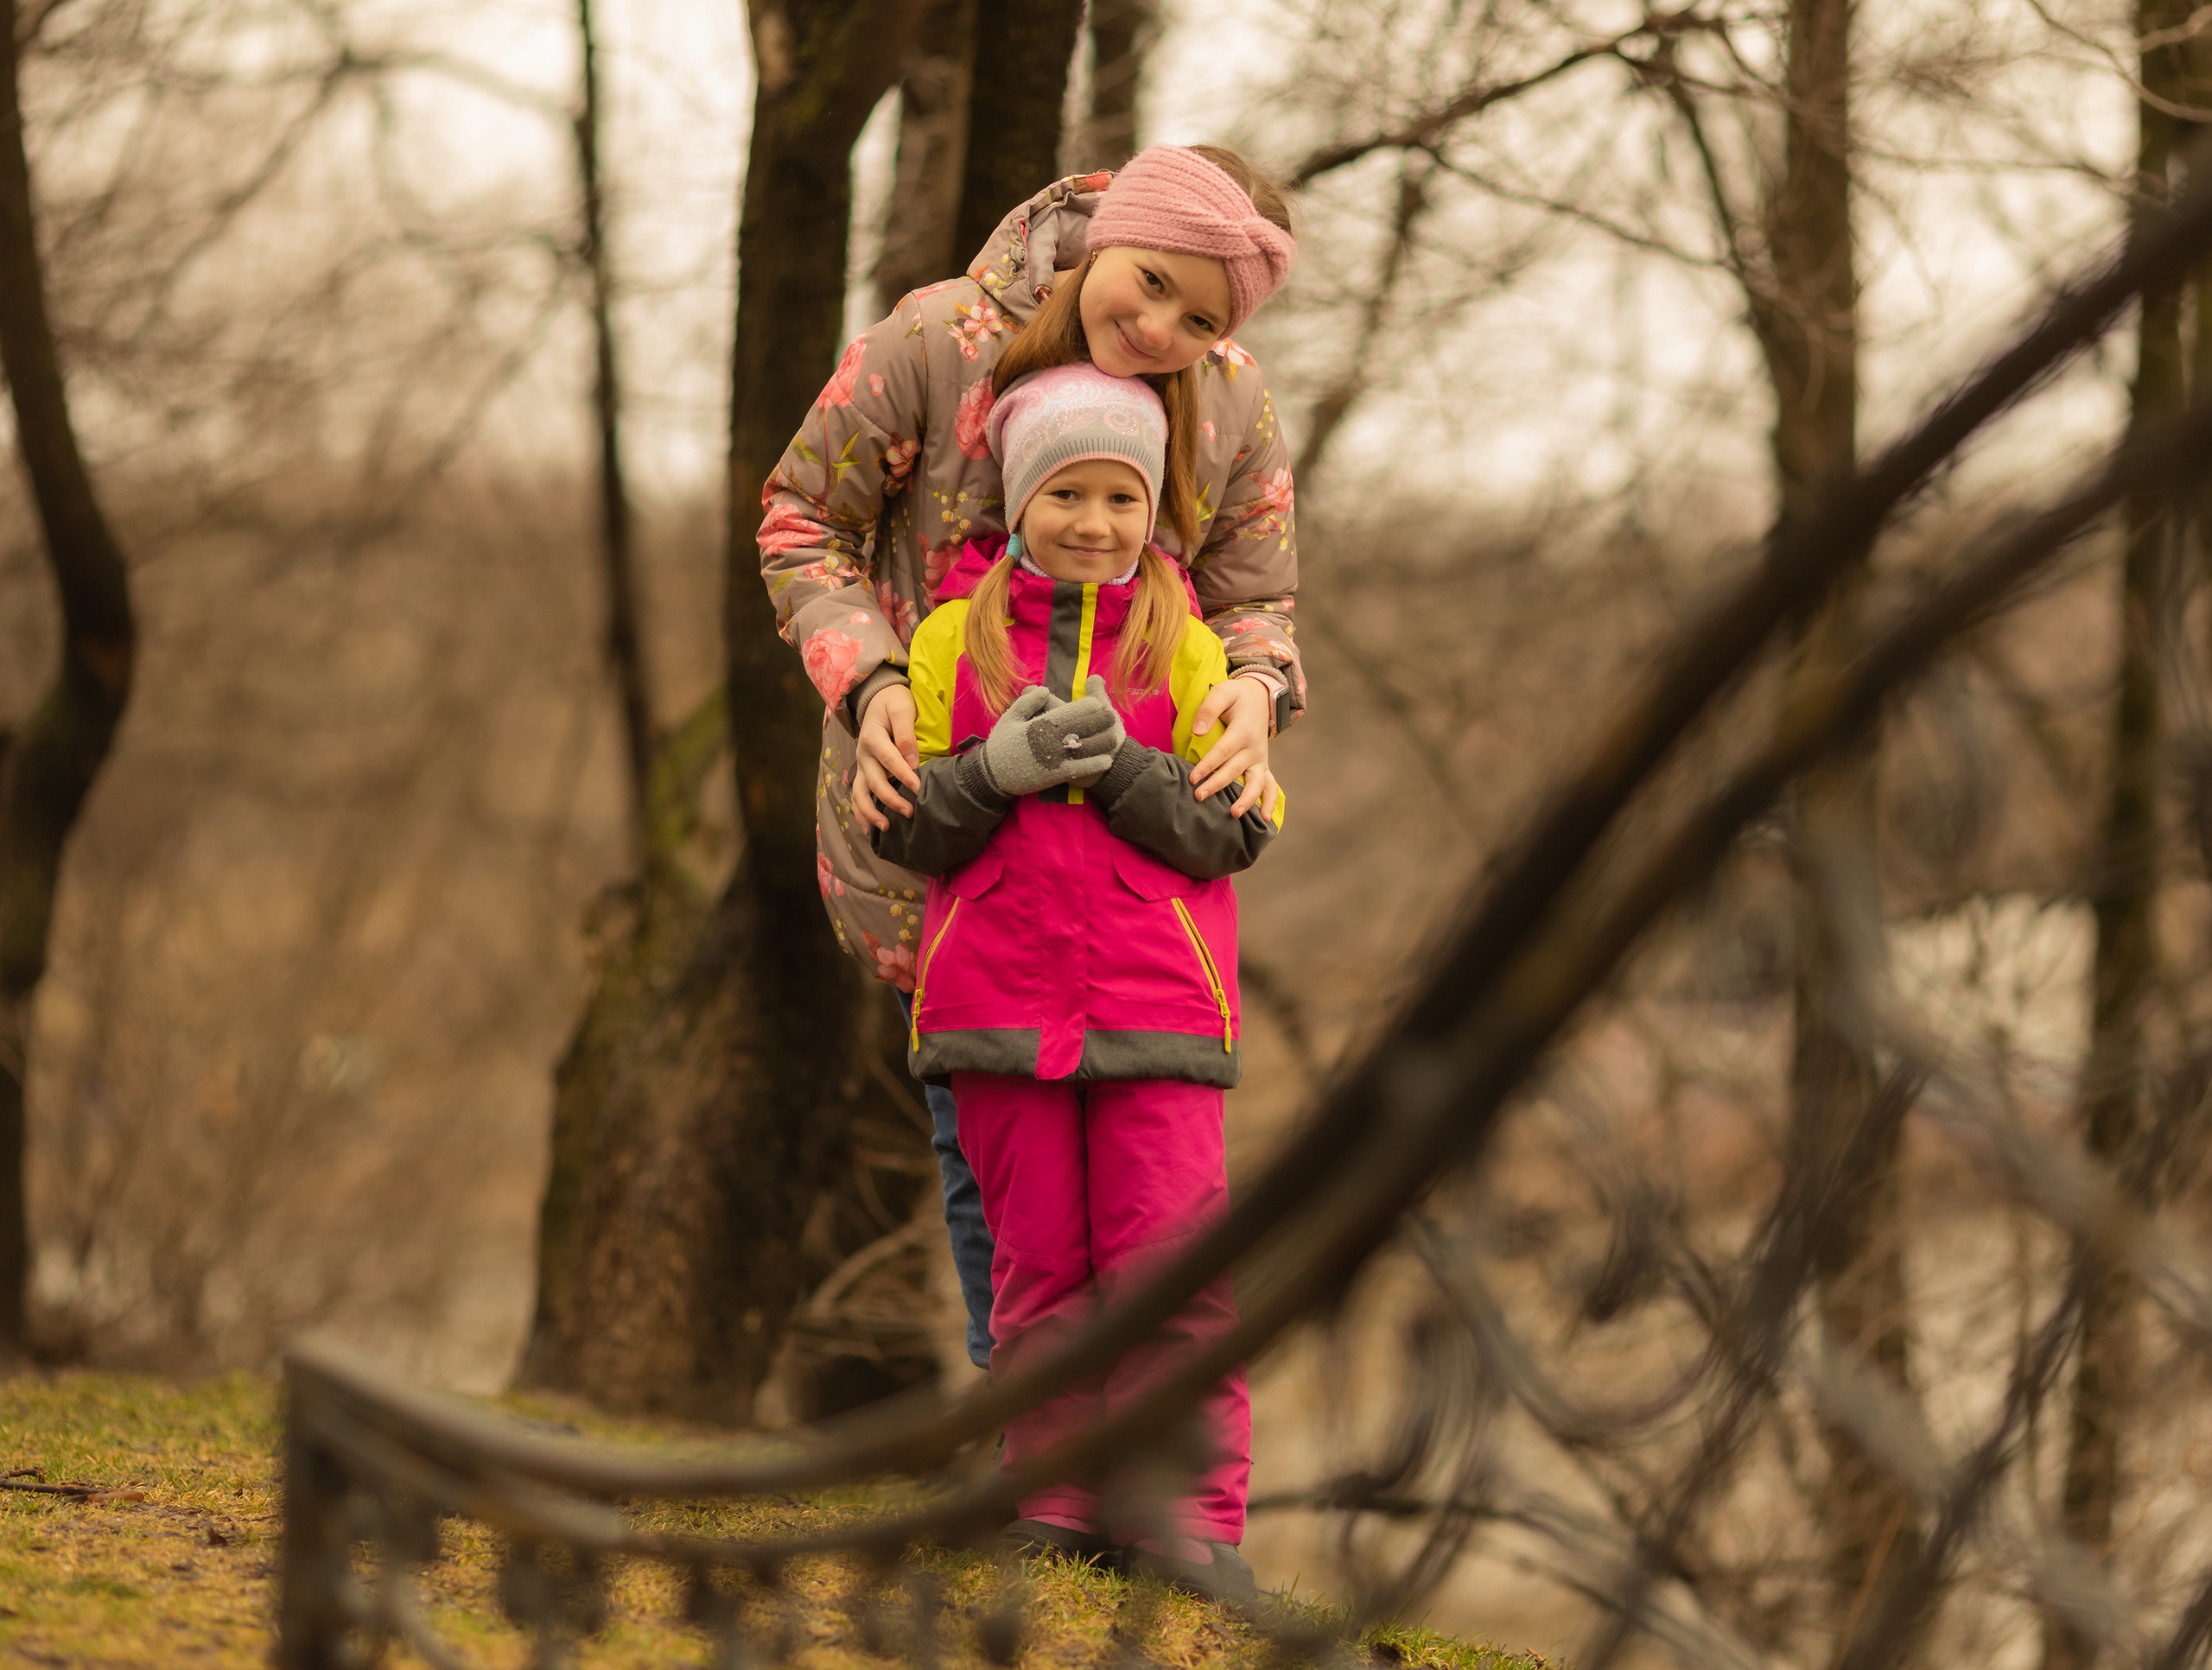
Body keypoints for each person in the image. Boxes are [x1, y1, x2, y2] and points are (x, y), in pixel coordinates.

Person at [760, 143, 1300, 1377]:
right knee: (999, 1189)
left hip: (1137, 873)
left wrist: (1258, 687)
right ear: (1114, 230)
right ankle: (1033, 1452)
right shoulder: (934, 339)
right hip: (942, 826)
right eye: (1152, 282)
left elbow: (1257, 597)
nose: (1160, 330)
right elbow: (801, 519)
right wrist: (872, 681)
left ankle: (1127, 1464)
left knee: (1155, 1223)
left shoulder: (1229, 402)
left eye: (1200, 319)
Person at [874, 363, 1281, 1602]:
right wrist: (990, 771)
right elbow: (907, 826)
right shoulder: (947, 642)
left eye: (1120, 498)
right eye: (1065, 494)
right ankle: (1051, 1503)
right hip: (995, 1007)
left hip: (1160, 1009)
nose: (1093, 522)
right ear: (1018, 497)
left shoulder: (1193, 646)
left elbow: (1230, 831)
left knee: (1169, 1275)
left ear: (1152, 509)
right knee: (1037, 1272)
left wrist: (1123, 774)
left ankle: (1185, 1522)